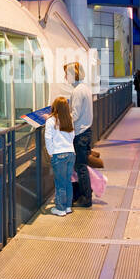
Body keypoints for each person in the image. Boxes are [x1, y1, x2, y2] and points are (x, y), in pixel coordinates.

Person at [66, 62, 95, 208]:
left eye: (67, 74)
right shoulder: (85, 88)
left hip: (80, 133)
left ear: (74, 74)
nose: (66, 77)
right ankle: (84, 194)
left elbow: (75, 115)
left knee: (80, 167)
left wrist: (58, 119)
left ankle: (86, 198)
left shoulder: (77, 91)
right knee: (81, 166)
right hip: (86, 131)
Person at [45, 97, 76, 216]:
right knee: (68, 181)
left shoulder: (51, 121)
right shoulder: (69, 119)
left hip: (59, 154)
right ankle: (68, 206)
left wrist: (51, 153)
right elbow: (73, 135)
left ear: (55, 107)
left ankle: (60, 208)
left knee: (60, 183)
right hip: (71, 153)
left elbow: (48, 138)